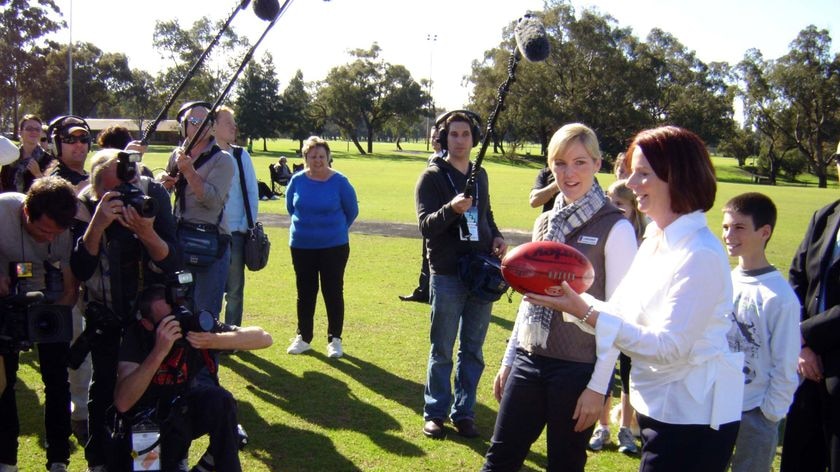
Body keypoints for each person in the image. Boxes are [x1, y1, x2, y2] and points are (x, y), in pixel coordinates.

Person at [527, 126, 745, 472]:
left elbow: (670, 346)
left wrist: (587, 313)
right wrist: (570, 301)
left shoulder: (699, 252)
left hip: (693, 418)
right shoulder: (658, 238)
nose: (629, 183)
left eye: (643, 174)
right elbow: (621, 310)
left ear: (677, 177)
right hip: (659, 408)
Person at [481, 123, 638, 471]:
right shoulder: (546, 223)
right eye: (560, 163)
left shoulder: (616, 227)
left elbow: (618, 317)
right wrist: (510, 359)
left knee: (565, 464)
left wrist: (599, 388)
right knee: (499, 460)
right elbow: (528, 299)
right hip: (529, 357)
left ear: (597, 164)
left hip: (578, 368)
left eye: (580, 162)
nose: (569, 173)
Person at [70, 148, 179, 471]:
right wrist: (97, 225)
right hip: (104, 312)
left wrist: (146, 232)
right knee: (103, 387)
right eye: (113, 193)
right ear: (97, 190)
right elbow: (80, 268)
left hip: (147, 316)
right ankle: (99, 461)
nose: (124, 198)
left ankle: (149, 463)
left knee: (150, 392)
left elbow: (174, 260)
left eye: (127, 187)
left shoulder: (152, 195)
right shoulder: (82, 206)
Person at [112, 284, 273, 471]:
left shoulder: (189, 325)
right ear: (148, 324)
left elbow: (264, 338)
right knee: (151, 461)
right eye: (167, 321)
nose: (176, 324)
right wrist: (159, 351)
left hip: (182, 412)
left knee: (221, 401)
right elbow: (123, 402)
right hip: (147, 426)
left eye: (177, 313)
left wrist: (214, 340)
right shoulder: (137, 336)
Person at [417, 110, 507, 439]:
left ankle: (464, 411)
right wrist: (451, 210)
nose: (459, 140)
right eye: (453, 134)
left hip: (481, 270)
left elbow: (486, 214)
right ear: (443, 138)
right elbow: (426, 226)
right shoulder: (432, 177)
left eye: (465, 134)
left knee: (473, 349)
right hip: (447, 274)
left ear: (473, 139)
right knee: (442, 348)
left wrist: (496, 235)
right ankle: (435, 412)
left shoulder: (479, 174)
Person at [0, 176, 80, 472]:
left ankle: (59, 457)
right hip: (4, 304)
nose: (49, 238)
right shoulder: (3, 211)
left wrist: (56, 313)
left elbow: (72, 288)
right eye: (43, 230)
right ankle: (5, 458)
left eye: (55, 233)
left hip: (49, 306)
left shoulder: (64, 230)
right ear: (26, 213)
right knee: (3, 384)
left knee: (58, 382)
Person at [720, 192, 799, 472]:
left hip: (756, 411)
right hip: (718, 406)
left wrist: (769, 414)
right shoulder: (726, 280)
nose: (729, 234)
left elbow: (786, 363)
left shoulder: (780, 296)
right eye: (726, 226)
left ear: (764, 232)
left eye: (739, 227)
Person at [780, 143, 840, 472]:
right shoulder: (825, 216)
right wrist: (802, 346)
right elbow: (797, 277)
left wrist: (804, 334)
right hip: (807, 369)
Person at [588, 179, 648, 454]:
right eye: (609, 202)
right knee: (604, 368)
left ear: (634, 208)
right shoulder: (605, 233)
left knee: (628, 373)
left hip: (635, 319)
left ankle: (626, 427)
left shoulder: (647, 240)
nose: (613, 208)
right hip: (608, 314)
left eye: (620, 204)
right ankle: (603, 427)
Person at [285, 136, 358, 358]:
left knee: (332, 291)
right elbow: (290, 207)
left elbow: (352, 210)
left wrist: (334, 230)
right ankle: (304, 337)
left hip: (333, 246)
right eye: (313, 156)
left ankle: (334, 339)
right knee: (305, 292)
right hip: (301, 245)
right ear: (305, 157)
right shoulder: (297, 180)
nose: (317, 160)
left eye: (321, 156)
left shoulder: (340, 181)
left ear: (328, 158)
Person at [159, 102, 235, 317]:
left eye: (205, 122)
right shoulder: (176, 155)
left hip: (211, 244)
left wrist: (189, 172)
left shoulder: (223, 160)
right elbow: (166, 197)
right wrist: (164, 184)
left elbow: (211, 201)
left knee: (204, 315)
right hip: (180, 241)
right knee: (179, 308)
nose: (199, 127)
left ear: (212, 127)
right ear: (183, 125)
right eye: (193, 121)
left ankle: (208, 352)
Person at [215, 106, 259, 327]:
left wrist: (244, 225)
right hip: (209, 232)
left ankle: (232, 335)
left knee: (234, 290)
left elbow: (252, 192)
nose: (234, 127)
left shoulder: (241, 156)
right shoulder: (201, 156)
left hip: (235, 233)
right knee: (209, 287)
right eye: (228, 123)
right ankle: (207, 333)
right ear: (213, 126)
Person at [399, 126, 445, 304]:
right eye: (432, 137)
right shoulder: (432, 158)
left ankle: (432, 292)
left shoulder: (447, 160)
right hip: (430, 214)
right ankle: (422, 291)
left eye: (437, 138)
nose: (434, 140)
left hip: (442, 216)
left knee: (434, 256)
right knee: (425, 254)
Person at [1, 114, 52, 193]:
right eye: (29, 129)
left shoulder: (48, 160)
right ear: (20, 132)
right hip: (10, 203)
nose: (34, 132)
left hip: (35, 204)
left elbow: (52, 192)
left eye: (37, 129)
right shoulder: (11, 156)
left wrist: (38, 174)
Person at [45, 115, 92, 194]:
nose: (79, 144)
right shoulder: (53, 185)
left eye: (83, 138)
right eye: (70, 139)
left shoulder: (93, 178)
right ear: (57, 146)